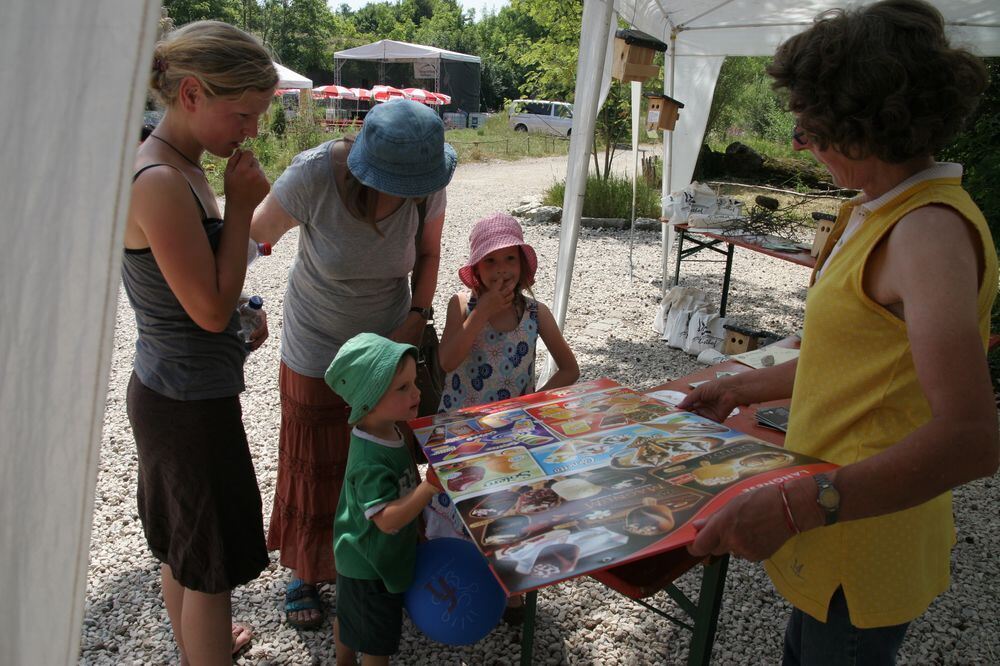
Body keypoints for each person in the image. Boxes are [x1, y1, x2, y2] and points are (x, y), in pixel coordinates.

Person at [678, 1, 997, 663]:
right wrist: (742, 388)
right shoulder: (876, 208)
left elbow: (972, 439)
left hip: (864, 534)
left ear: (865, 125)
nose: (799, 143)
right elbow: (851, 355)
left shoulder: (927, 234)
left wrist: (796, 507)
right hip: (837, 524)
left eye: (810, 126)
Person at [250, 98, 456, 629]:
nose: (410, 193)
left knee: (379, 461)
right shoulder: (314, 174)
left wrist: (417, 314)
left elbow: (430, 254)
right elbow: (254, 236)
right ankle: (306, 568)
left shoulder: (429, 182)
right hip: (317, 347)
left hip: (389, 347)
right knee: (315, 462)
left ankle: (378, 563)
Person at [122, 21, 276, 664]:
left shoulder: (183, 167)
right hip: (185, 403)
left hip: (182, 391)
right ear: (191, 95)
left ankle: (197, 646)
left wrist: (243, 311)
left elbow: (203, 294)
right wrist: (241, 205)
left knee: (186, 548)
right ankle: (203, 646)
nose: (251, 131)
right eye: (242, 114)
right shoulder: (159, 181)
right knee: (209, 567)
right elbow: (206, 312)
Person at [424, 213, 579, 622]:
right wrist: (484, 310)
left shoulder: (535, 313)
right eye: (490, 262)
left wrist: (532, 404)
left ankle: (511, 593)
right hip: (462, 434)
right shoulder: (460, 305)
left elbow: (570, 368)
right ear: (476, 270)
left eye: (508, 259)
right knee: (463, 507)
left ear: (523, 265)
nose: (501, 270)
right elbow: (447, 360)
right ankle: (454, 583)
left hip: (511, 435)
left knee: (510, 509)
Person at [324, 332, 440, 665]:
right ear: (369, 400)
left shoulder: (388, 427)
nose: (416, 392)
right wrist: (428, 489)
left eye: (413, 381)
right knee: (378, 641)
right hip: (368, 564)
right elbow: (387, 519)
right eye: (402, 388)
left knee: (349, 615)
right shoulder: (370, 459)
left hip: (361, 552)